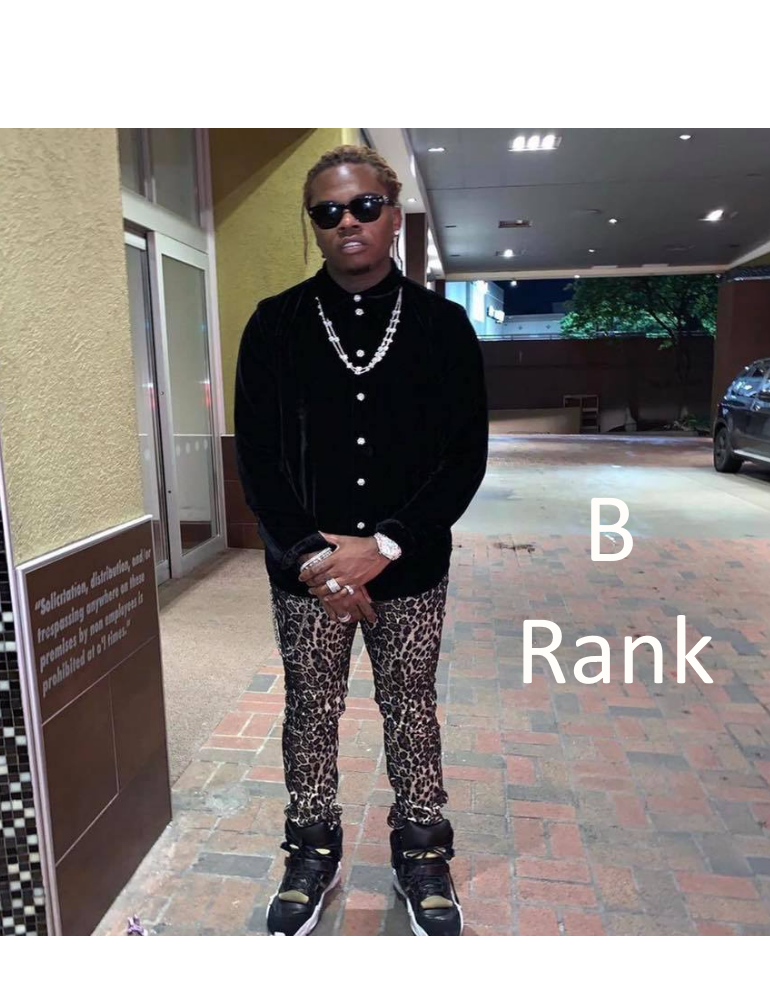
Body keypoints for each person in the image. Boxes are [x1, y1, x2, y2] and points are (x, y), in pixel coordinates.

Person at [234, 144, 488, 936]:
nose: (347, 221)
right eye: (328, 211)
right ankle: (311, 850)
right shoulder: (274, 324)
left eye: (364, 206)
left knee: (410, 706)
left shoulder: (443, 327)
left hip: (409, 570)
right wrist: (318, 557)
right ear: (314, 224)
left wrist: (385, 546)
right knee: (310, 707)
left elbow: (464, 457)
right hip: (305, 574)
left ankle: (423, 853)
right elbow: (259, 457)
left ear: (392, 214)